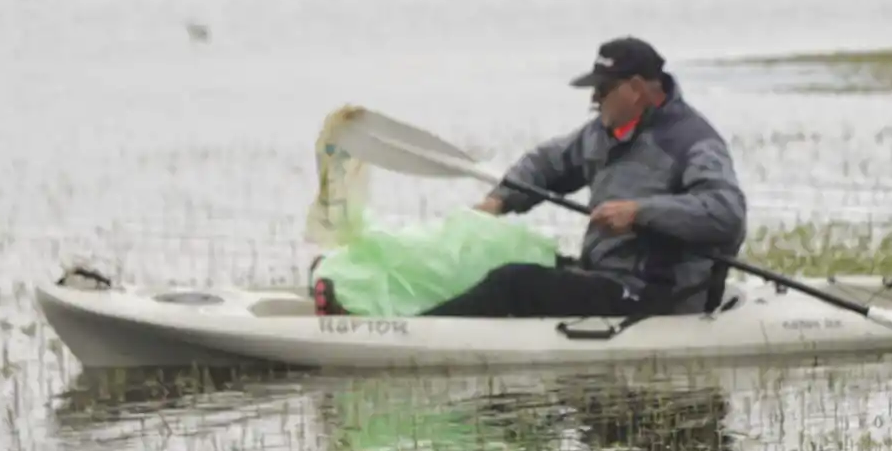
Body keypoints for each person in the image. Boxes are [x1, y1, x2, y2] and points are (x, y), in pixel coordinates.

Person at [314, 36, 747, 319]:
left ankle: (414, 332)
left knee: (514, 282)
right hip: (605, 273)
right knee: (493, 256)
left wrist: (640, 212)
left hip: (656, 295)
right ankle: (369, 299)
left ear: (635, 88)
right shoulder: (605, 132)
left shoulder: (693, 142)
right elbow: (549, 163)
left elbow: (725, 214)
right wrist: (499, 201)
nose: (594, 100)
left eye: (602, 90)